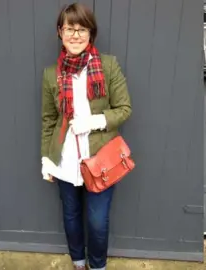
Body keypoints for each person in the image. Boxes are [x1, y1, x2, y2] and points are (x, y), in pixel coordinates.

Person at [40, 3, 132, 270]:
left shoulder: (108, 65)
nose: (76, 35)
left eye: (82, 29)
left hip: (100, 160)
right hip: (65, 160)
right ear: (60, 32)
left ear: (91, 33)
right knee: (71, 215)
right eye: (70, 29)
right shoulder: (50, 75)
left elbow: (124, 109)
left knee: (97, 219)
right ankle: (78, 262)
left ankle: (98, 265)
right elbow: (49, 120)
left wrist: (93, 121)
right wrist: (47, 160)